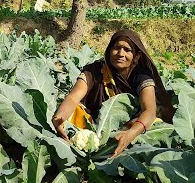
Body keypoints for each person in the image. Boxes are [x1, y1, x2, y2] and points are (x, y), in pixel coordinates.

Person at [52, 29, 175, 158]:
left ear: (136, 56)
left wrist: (130, 134)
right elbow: (73, 97)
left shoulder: (141, 75)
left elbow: (149, 111)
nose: (120, 53)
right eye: (116, 48)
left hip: (127, 127)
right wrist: (60, 117)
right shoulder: (95, 70)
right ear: (109, 50)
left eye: (127, 50)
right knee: (68, 111)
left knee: (152, 125)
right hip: (93, 125)